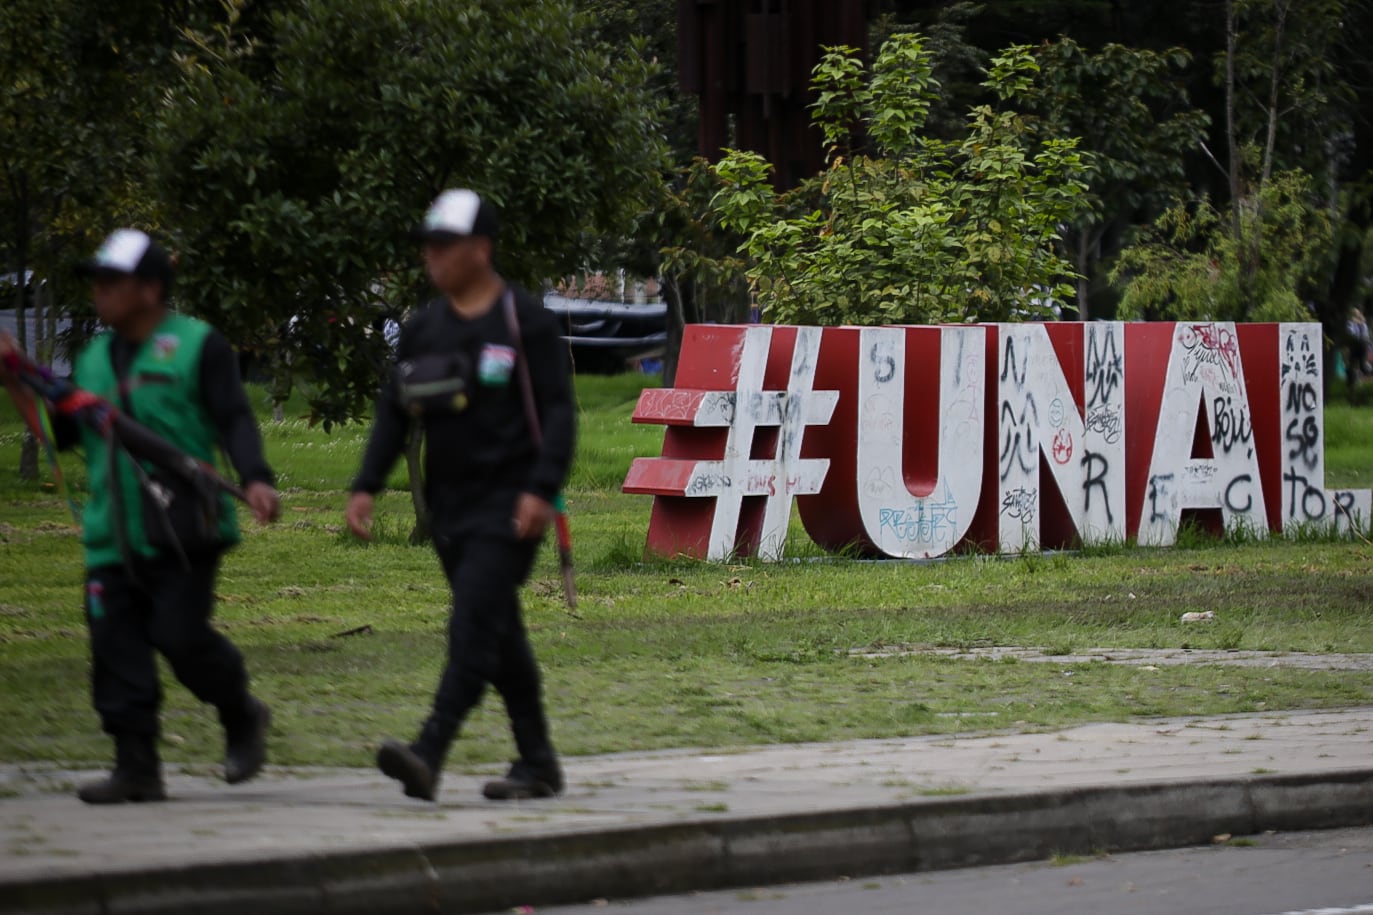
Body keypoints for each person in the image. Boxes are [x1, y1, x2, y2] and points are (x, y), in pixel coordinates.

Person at [0, 229, 280, 804]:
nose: (99, 291)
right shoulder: (93, 359)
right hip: (113, 531)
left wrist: (256, 477)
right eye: (97, 281)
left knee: (179, 636)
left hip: (186, 526)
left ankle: (241, 712)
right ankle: (136, 766)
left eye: (112, 281)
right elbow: (59, 434)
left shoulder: (199, 345)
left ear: (151, 289)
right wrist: (14, 377)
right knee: (115, 644)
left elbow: (234, 416)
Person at [346, 189, 575, 802]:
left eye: (445, 245)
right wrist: (367, 485)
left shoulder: (526, 322)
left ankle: (429, 752)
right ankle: (538, 762)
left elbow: (559, 414)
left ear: (482, 249)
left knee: (472, 624)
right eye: (429, 245)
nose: (432, 256)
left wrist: (541, 490)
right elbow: (394, 412)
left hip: (512, 507)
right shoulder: (424, 329)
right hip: (449, 509)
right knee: (499, 633)